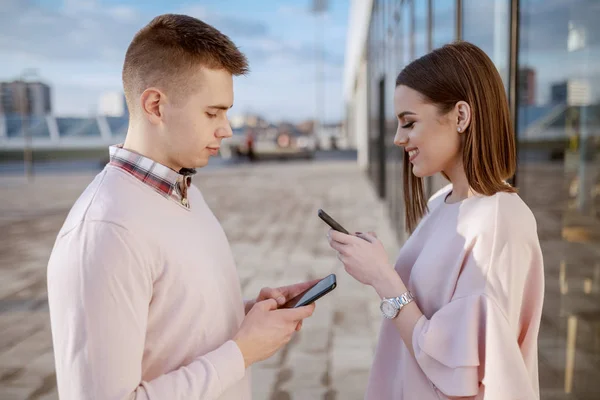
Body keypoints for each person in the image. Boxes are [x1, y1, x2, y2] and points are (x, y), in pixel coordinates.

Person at [47, 14, 316, 399]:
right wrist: (241, 352)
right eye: (213, 112)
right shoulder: (106, 230)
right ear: (155, 105)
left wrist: (244, 315)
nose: (227, 129)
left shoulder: (183, 193)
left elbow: (170, 326)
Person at [327, 41, 544, 399]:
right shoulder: (442, 202)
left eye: (408, 123)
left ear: (461, 116)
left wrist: (383, 278)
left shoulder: (498, 221)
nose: (398, 139)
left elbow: (460, 371)